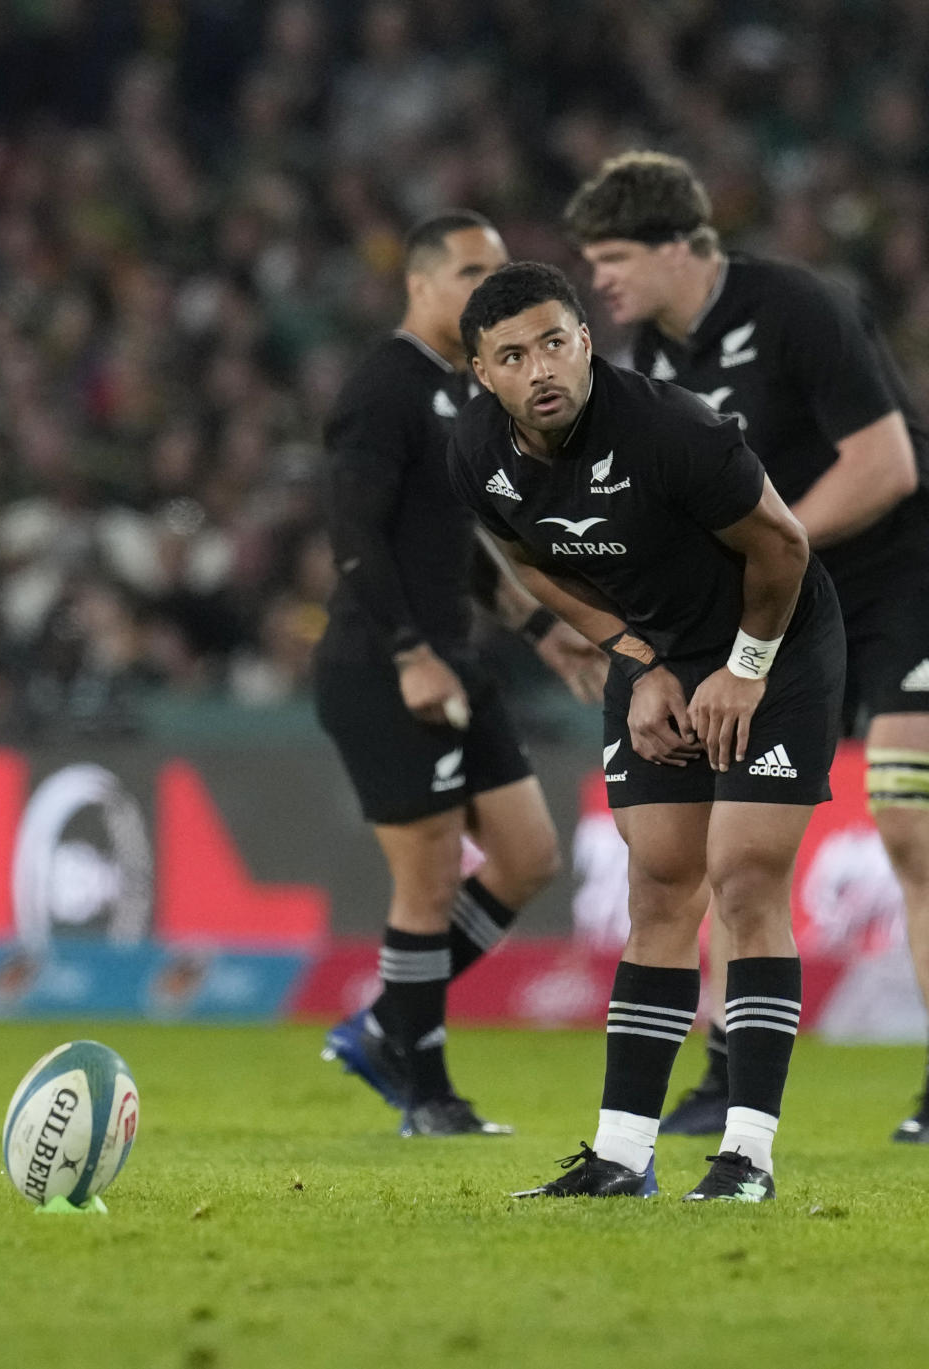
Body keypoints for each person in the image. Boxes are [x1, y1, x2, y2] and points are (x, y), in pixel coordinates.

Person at [449, 260, 845, 1200]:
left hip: (774, 640)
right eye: (513, 354)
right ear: (481, 374)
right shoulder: (478, 456)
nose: (540, 366)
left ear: (586, 339)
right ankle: (623, 1155)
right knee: (660, 884)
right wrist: (633, 656)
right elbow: (524, 559)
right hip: (659, 655)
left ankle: (746, 1156)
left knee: (744, 874)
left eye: (555, 340)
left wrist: (742, 673)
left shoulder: (672, 430)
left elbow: (784, 548)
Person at [564, 150, 929, 1142]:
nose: (601, 280)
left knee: (910, 822)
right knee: (735, 847)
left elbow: (887, 463)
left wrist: (775, 553)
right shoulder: (644, 364)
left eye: (614, 256)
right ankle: (728, 1070)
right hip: (776, 609)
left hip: (899, 587)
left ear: (681, 247)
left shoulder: (797, 310)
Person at [315, 213, 606, 1138]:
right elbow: (353, 532)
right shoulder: (382, 389)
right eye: (473, 272)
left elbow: (455, 539)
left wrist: (535, 625)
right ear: (423, 282)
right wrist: (407, 652)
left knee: (528, 857)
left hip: (459, 658)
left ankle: (381, 1024)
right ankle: (426, 1089)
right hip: (383, 663)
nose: (489, 289)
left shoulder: (463, 393)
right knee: (431, 877)